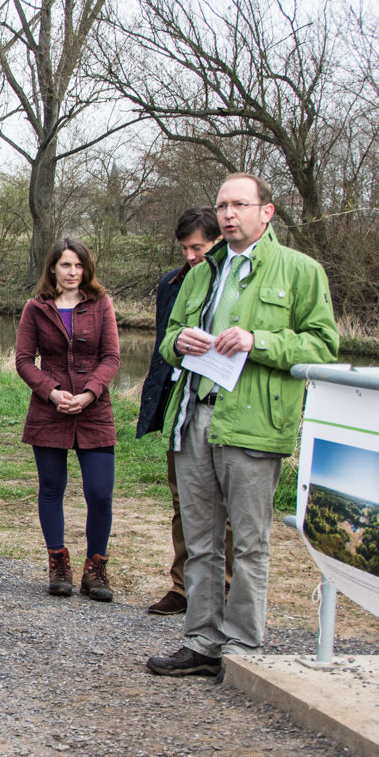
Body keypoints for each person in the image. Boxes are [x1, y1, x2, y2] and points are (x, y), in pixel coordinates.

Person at [147, 173, 339, 677]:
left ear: (266, 212)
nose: (229, 214)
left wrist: (259, 340)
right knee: (200, 539)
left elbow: (322, 346)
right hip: (194, 418)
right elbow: (166, 340)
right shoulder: (200, 272)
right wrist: (179, 344)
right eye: (222, 205)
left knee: (250, 541)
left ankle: (242, 647)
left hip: (253, 422)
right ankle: (202, 642)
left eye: (240, 204)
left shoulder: (300, 271)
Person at [137, 207, 233, 616]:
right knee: (184, 502)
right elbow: (164, 344)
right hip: (181, 404)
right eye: (185, 248)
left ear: (218, 242)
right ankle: (182, 585)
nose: (192, 255)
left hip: (225, 404)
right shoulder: (172, 282)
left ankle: (224, 588)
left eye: (199, 247)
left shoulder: (235, 281)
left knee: (225, 506)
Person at [16, 237, 121, 601]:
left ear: (86, 269)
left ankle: (96, 569)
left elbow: (111, 357)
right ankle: (58, 562)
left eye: (78, 265)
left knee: (100, 494)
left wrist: (90, 392)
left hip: (95, 411)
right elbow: (24, 360)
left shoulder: (101, 304)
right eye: (65, 265)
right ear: (53, 269)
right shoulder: (35, 308)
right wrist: (52, 392)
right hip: (50, 410)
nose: (72, 272)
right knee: (51, 488)